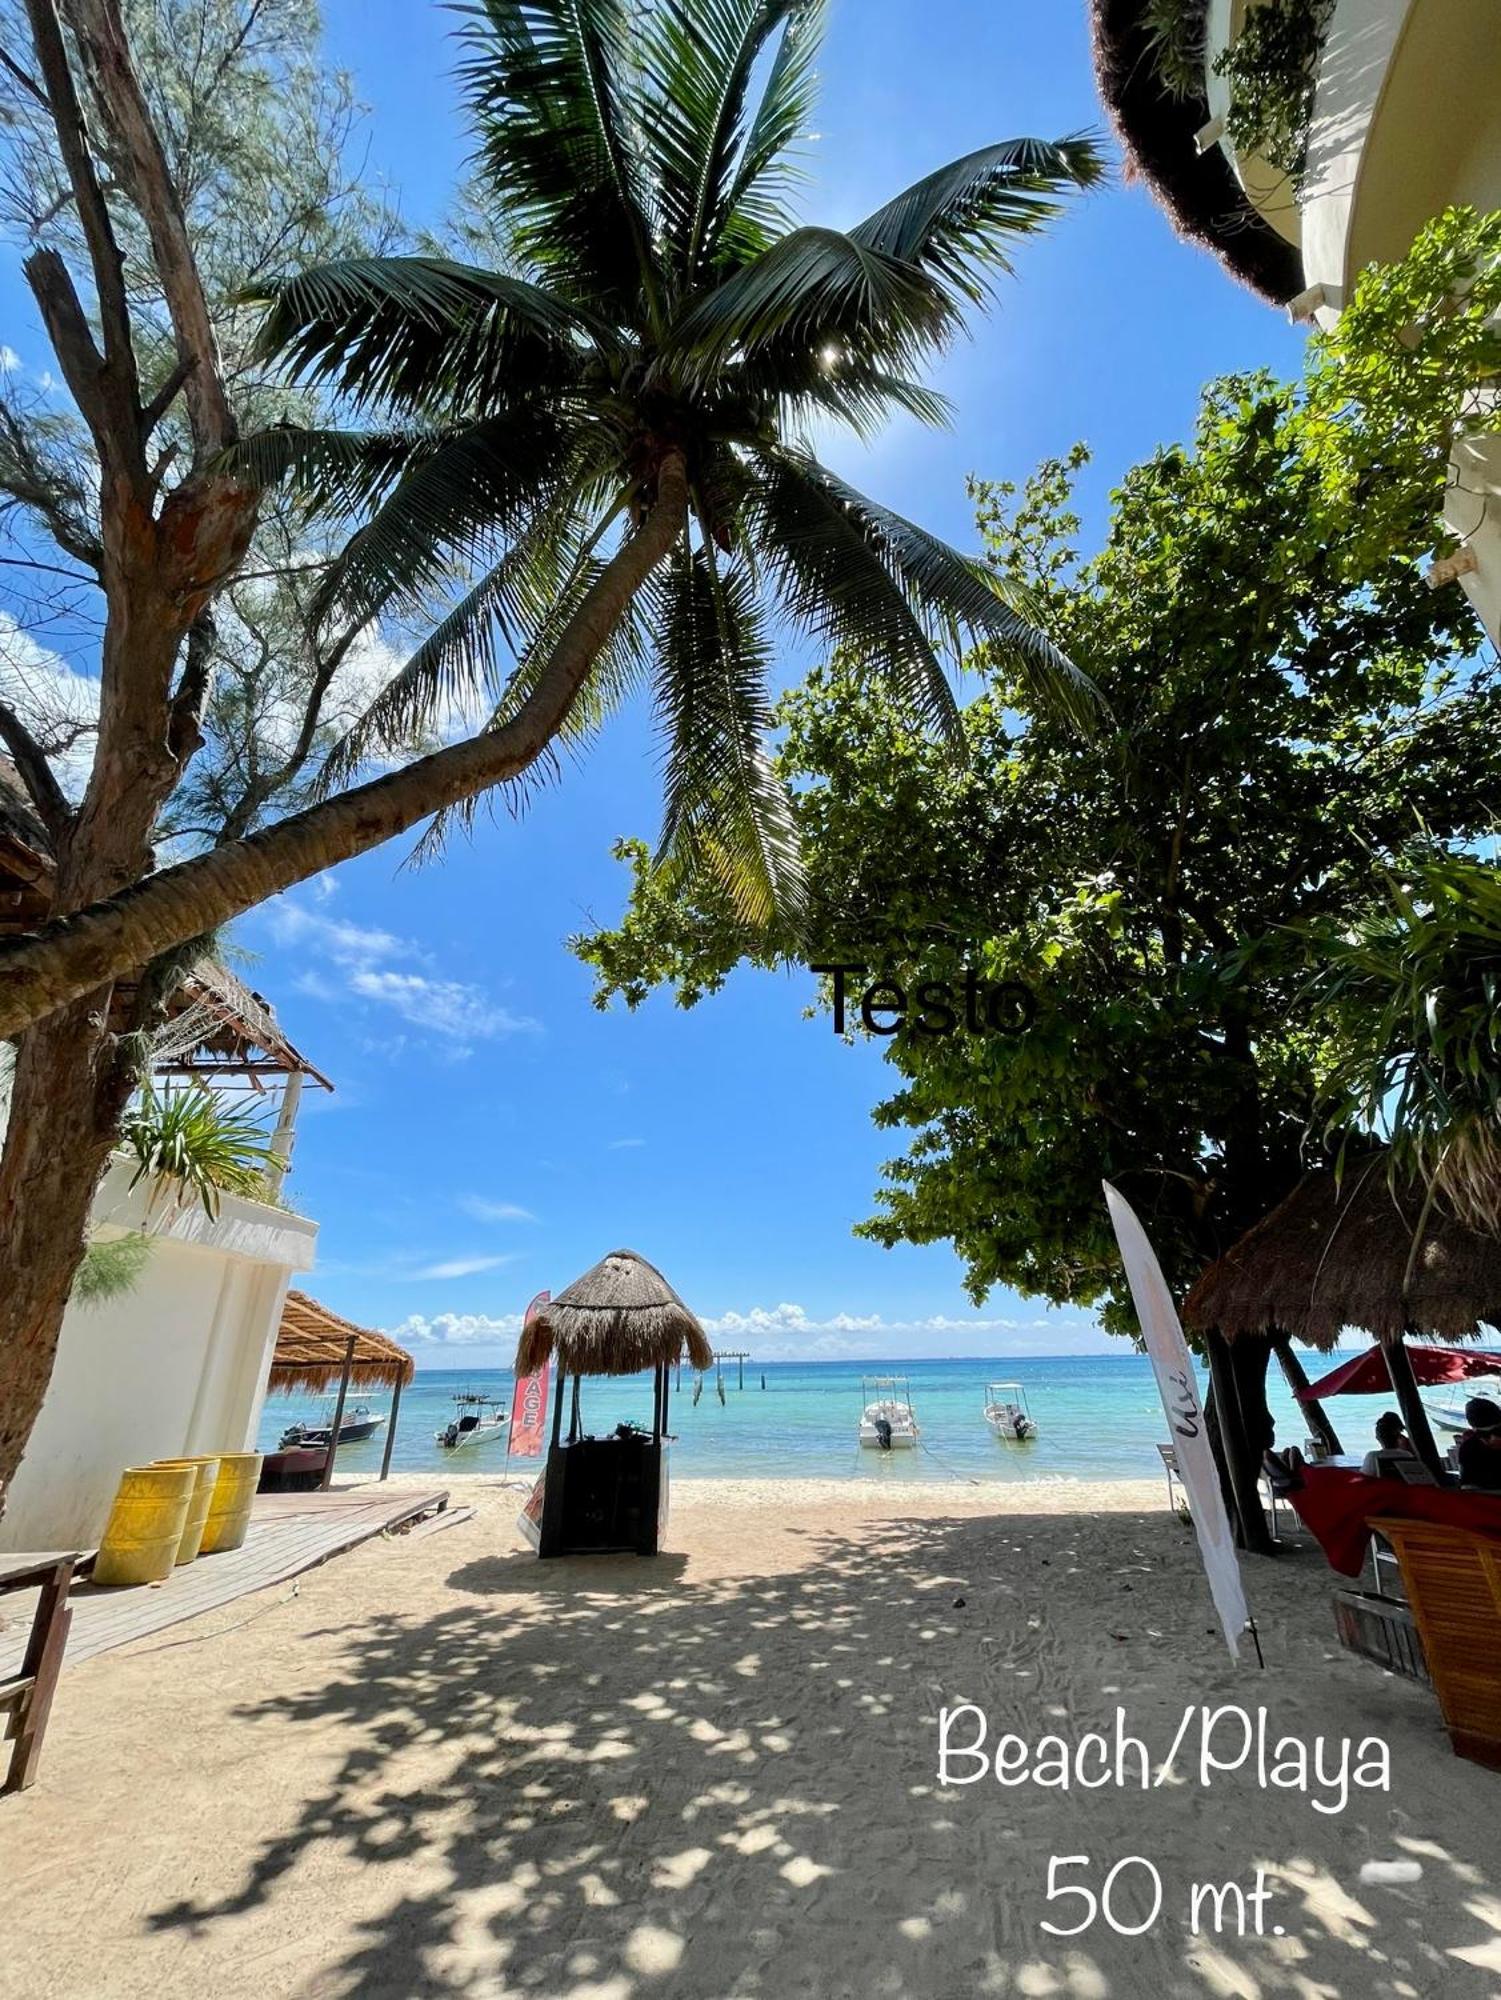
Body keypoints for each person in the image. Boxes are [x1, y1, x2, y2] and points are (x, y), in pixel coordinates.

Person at [1456, 1397, 1501, 1492]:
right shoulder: (1468, 1449)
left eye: (1498, 1431)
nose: (1493, 1439)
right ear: (1474, 1430)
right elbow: (1468, 1487)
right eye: (1484, 1434)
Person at [1361, 1411, 1416, 1478]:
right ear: (1399, 1435)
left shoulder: (1372, 1456)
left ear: (1378, 1438)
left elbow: (1365, 1477)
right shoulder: (1408, 1455)